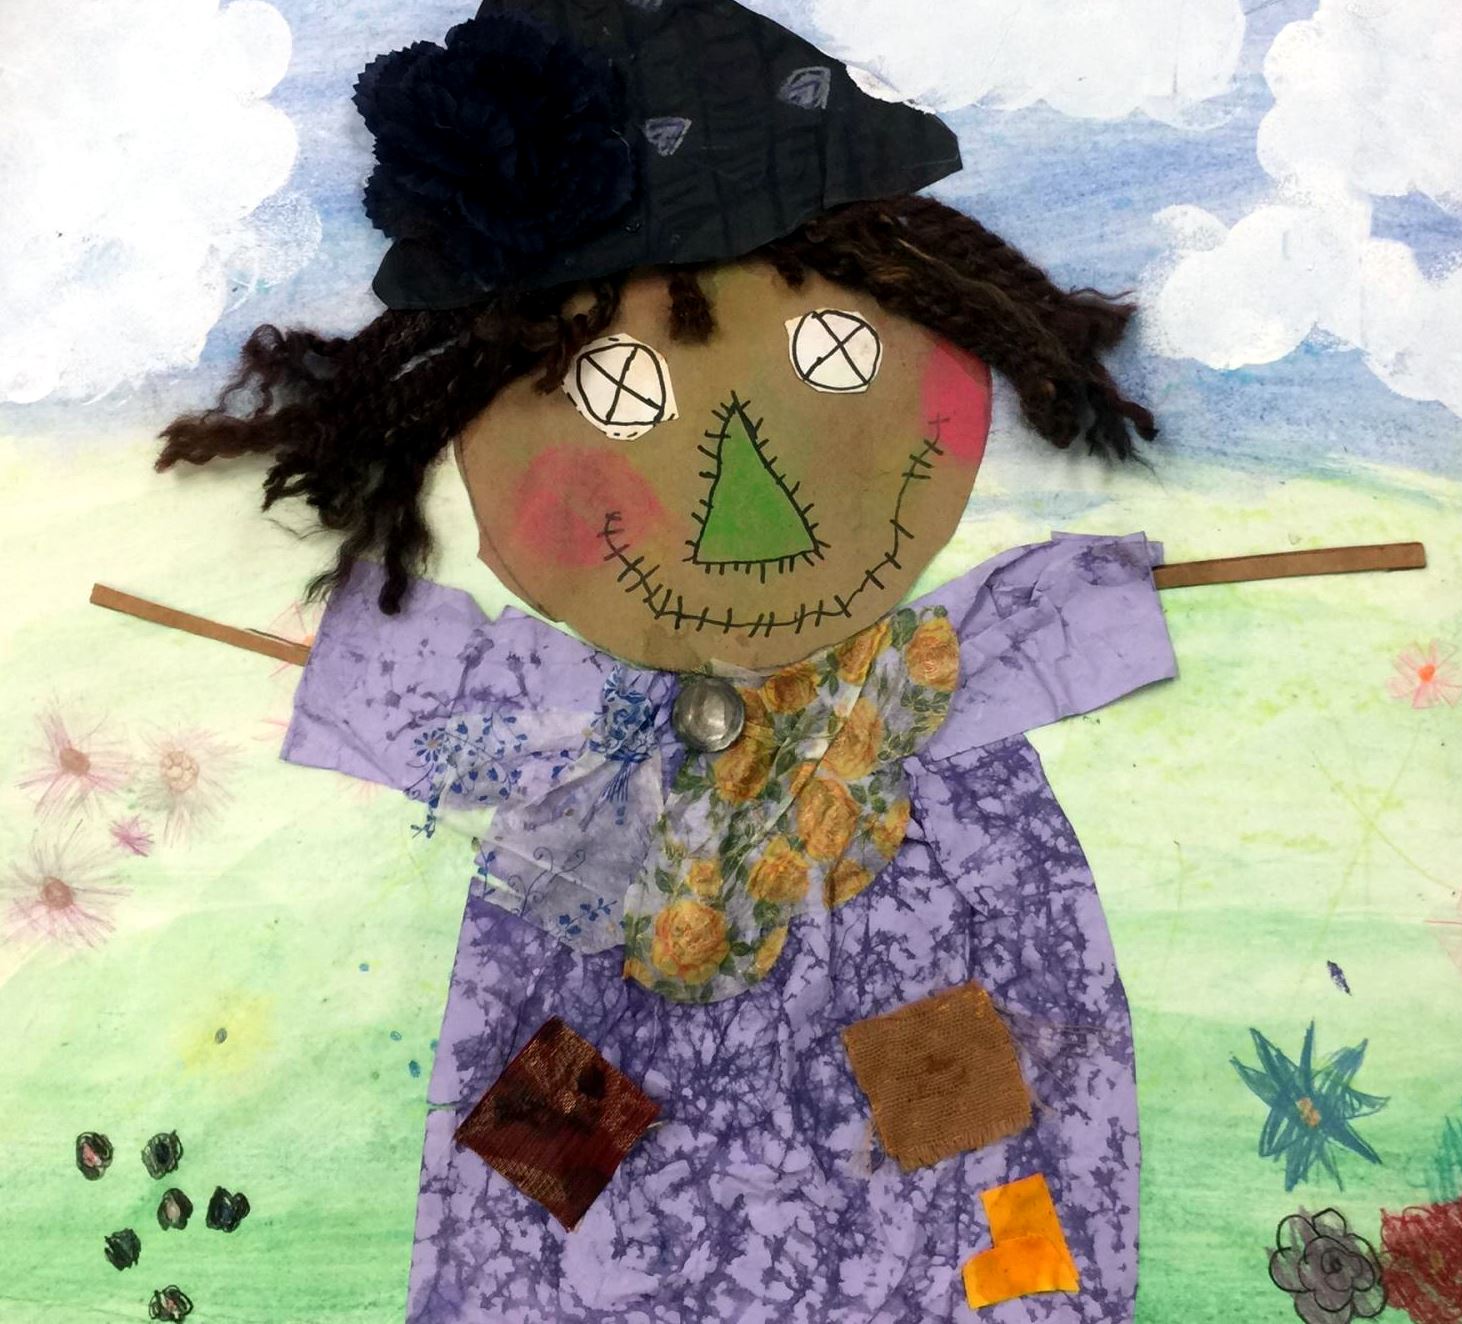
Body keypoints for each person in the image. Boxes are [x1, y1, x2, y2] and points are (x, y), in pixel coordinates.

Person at [157, 2, 1174, 1318]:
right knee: (547, 1199)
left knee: (978, 1202)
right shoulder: (574, 754)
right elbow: (446, 701)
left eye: (833, 353)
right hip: (609, 953)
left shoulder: (933, 695)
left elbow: (1045, 639)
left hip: (924, 979)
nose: (749, 502)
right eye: (618, 392)